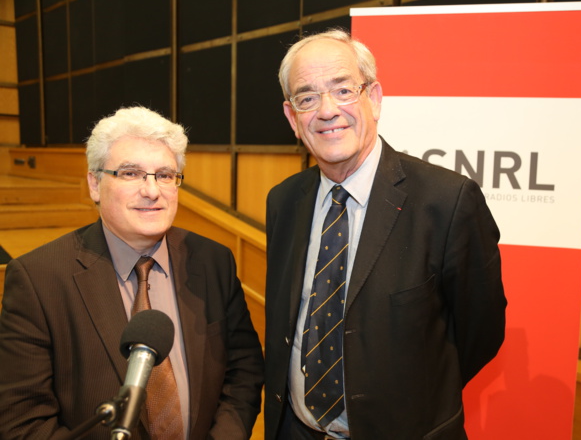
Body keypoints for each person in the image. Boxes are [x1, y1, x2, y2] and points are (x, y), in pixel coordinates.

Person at [264, 29, 507, 440]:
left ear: (373, 98)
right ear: (292, 118)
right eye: (307, 98)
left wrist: (411, 400)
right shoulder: (283, 201)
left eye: (343, 90)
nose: (326, 110)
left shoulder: (446, 201)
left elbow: (479, 333)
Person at [0, 106, 264, 440]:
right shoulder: (38, 279)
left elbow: (243, 371)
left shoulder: (214, 261)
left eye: (165, 175)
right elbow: (23, 422)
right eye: (130, 173)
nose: (152, 191)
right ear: (95, 184)